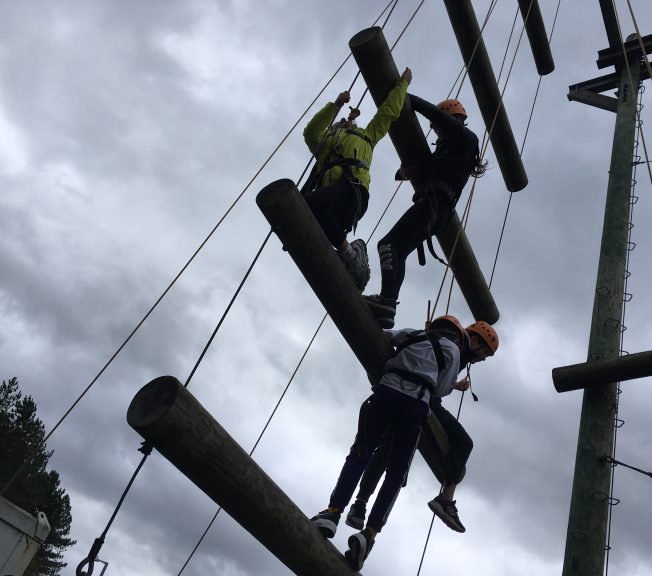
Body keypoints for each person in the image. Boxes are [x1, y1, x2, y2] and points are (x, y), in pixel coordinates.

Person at [310, 315, 472, 571]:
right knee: (395, 475)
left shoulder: (413, 334)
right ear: (458, 339)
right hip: (415, 406)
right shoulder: (453, 350)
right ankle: (369, 534)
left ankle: (333, 512)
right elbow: (441, 389)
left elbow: (386, 338)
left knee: (359, 456)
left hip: (385, 395)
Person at [344, 320, 499, 534]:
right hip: (424, 400)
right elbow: (438, 384)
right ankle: (443, 501)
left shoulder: (449, 347)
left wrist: (454, 385)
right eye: (485, 352)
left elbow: (435, 373)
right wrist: (451, 385)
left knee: (386, 449)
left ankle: (360, 504)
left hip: (413, 395)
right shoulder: (456, 349)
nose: (483, 358)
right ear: (473, 340)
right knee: (461, 443)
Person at [364, 95, 487, 327]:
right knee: (397, 250)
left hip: (435, 205)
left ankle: (387, 300)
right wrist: (404, 173)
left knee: (387, 245)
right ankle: (387, 306)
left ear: (451, 119)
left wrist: (407, 98)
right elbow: (430, 167)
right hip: (436, 208)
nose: (437, 132)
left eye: (438, 128)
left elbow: (437, 116)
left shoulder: (466, 138)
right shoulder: (453, 152)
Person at [302, 68, 412, 291]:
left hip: (353, 192)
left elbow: (388, 113)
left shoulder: (367, 136)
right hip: (330, 199)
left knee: (310, 203)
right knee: (312, 214)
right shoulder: (324, 146)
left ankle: (351, 256)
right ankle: (349, 256)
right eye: (338, 123)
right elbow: (311, 132)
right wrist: (335, 105)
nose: (344, 122)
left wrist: (403, 84)